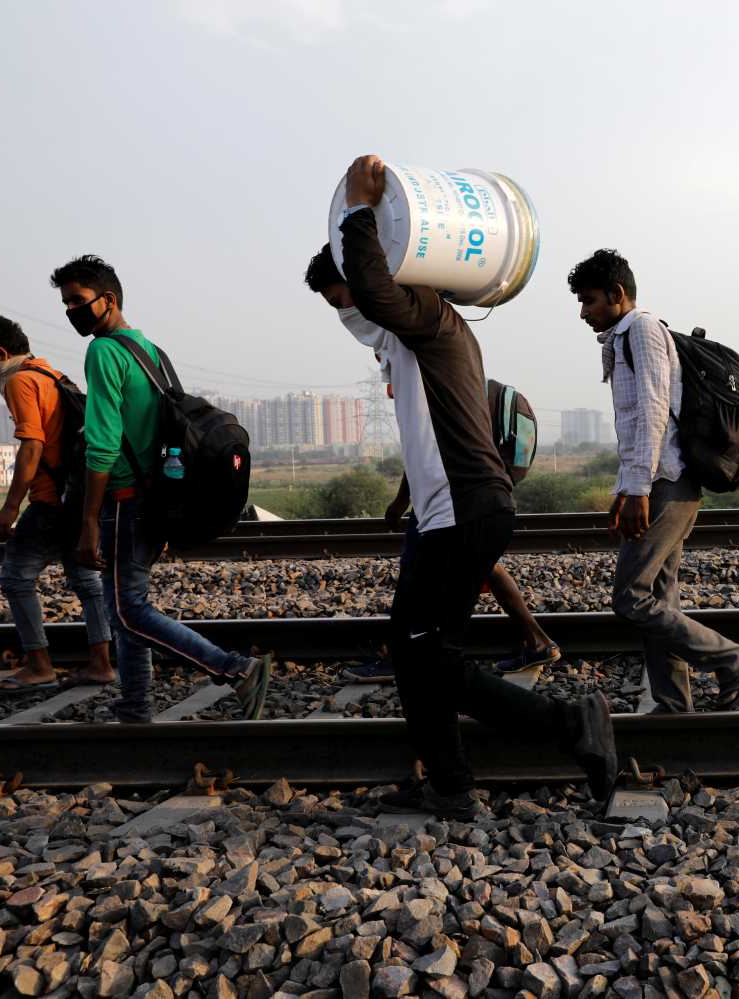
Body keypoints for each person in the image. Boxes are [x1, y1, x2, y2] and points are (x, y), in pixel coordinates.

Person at [317, 154, 616, 818]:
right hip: (443, 513)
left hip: (465, 509)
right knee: (414, 646)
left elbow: (370, 289)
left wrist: (363, 208)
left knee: (428, 653)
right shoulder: (418, 332)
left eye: (337, 295)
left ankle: (571, 725)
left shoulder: (427, 315)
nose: (346, 309)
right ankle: (449, 784)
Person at [50, 255, 273, 723]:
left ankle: (235, 669)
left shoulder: (104, 352)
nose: (70, 310)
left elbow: (102, 445)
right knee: (129, 607)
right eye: (65, 302)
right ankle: (135, 703)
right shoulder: (150, 351)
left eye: (76, 301)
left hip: (123, 504)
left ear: (107, 301)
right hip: (153, 502)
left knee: (130, 612)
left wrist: (88, 520)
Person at [567, 249, 739, 713]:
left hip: (666, 481)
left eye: (589, 300)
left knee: (630, 599)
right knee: (658, 597)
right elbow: (633, 426)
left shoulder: (643, 332)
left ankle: (733, 659)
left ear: (617, 294)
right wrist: (623, 489)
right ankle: (673, 704)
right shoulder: (624, 338)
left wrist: (637, 490)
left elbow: (652, 413)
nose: (583, 311)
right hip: (662, 482)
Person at [0, 316, 114, 693]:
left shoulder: (20, 381)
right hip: (75, 495)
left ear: (0, 353)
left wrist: (11, 506)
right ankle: (102, 664)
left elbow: (32, 445)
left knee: (15, 577)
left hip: (48, 499)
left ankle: (39, 665)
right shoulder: (52, 375)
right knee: (86, 581)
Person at [331, 472, 562, 683]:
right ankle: (538, 642)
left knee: (414, 570)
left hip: (444, 499)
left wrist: (401, 501)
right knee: (485, 565)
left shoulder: (432, 424)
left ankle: (400, 660)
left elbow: (421, 452)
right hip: (484, 492)